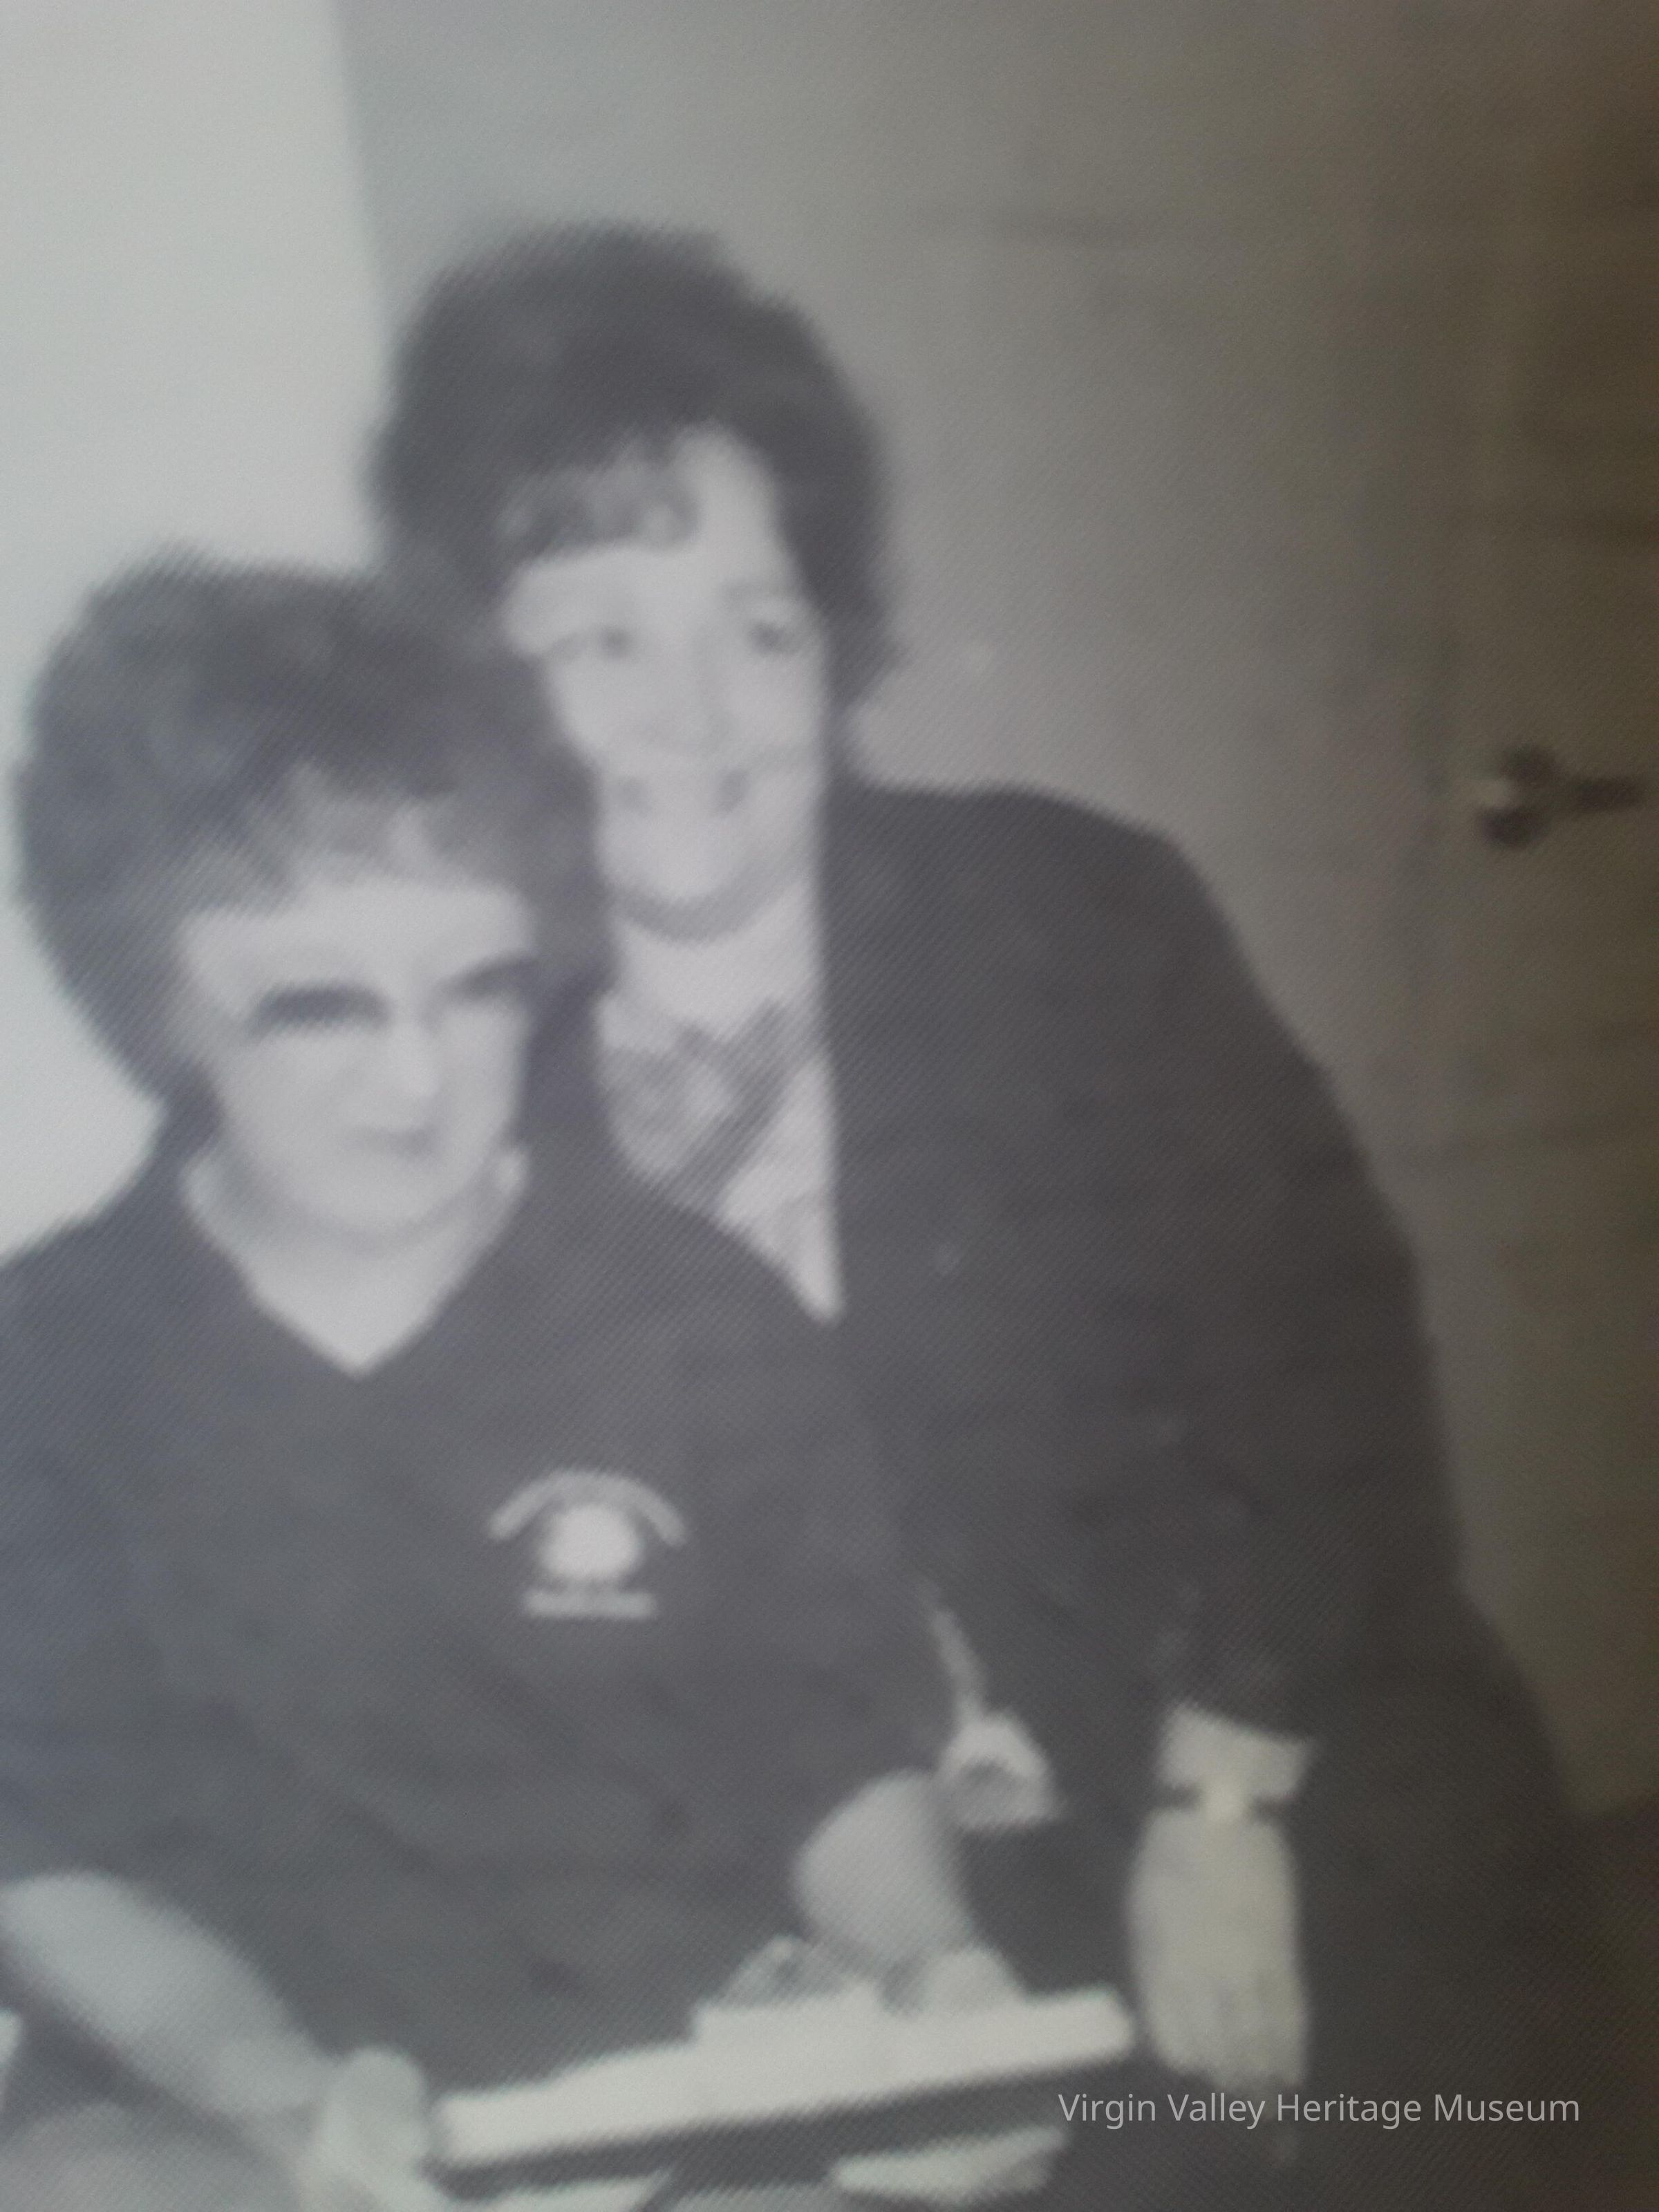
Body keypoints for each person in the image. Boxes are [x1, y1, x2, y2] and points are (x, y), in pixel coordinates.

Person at [373, 226, 1602, 2210]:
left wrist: (1223, 1807)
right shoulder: (450, 1054)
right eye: (602, 643)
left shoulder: (1063, 919)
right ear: (488, 682)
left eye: (758, 628)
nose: (695, 714)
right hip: (838, 1899)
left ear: (834, 648)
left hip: (1240, 1787)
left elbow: (1328, 1375)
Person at [0, 563, 1015, 2212]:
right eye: (318, 1006)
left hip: (657, 2105)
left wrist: (934, 1986)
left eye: (475, 988)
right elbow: (43, 1845)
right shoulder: (45, 1361)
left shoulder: (698, 1320)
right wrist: (280, 2101)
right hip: (210, 2112)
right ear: (163, 1003)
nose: (419, 1079)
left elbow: (832, 1745)